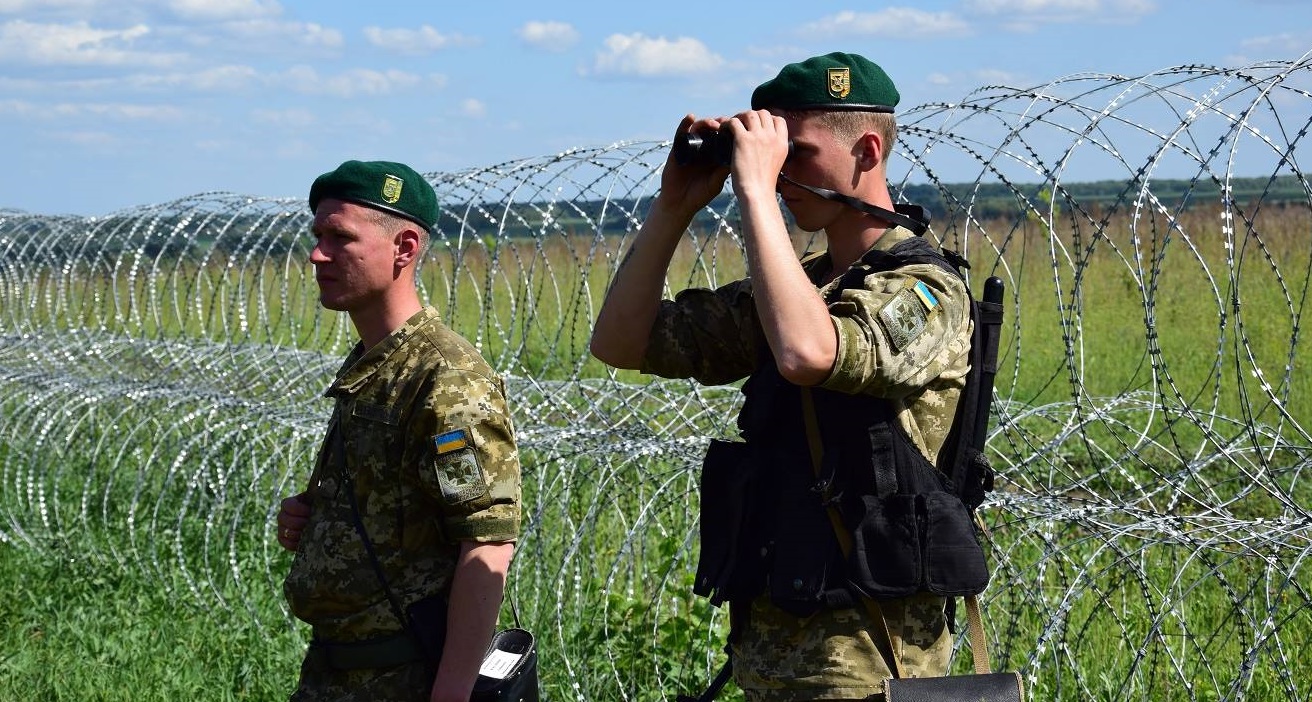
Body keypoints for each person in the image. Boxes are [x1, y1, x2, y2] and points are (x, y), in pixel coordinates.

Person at [590, 52, 973, 701]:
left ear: (868, 150)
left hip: (869, 669)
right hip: (771, 659)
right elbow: (622, 342)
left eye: (795, 154)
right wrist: (674, 205)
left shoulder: (928, 290)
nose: (778, 177)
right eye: (772, 158)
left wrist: (751, 195)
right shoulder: (803, 289)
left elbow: (809, 353)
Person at [276, 159, 521, 702]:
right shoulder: (376, 363)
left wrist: (452, 694)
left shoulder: (444, 378)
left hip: (403, 677)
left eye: (339, 238)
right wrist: (317, 519)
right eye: (317, 236)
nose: (317, 254)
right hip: (337, 670)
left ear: (404, 249)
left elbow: (485, 544)